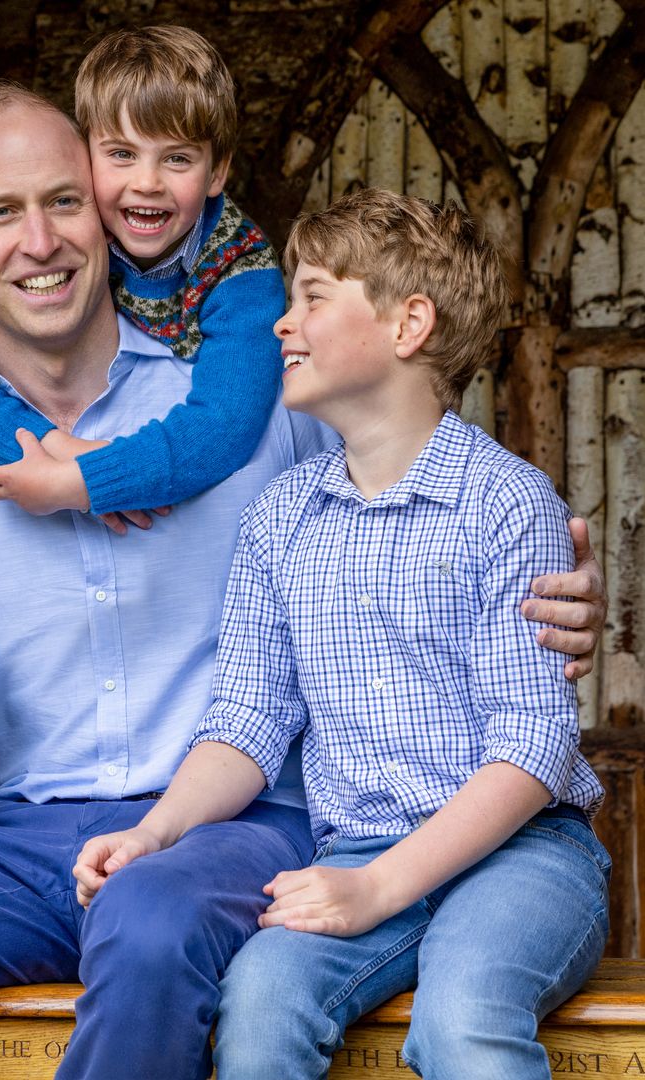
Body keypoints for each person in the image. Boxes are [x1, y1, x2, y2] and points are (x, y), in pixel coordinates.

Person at [0, 90, 605, 1080]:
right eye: (2, 212)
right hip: (27, 844)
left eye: (64, 201)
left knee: (149, 918)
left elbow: (417, 490)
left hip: (240, 829)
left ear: (106, 214)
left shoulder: (255, 411)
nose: (41, 240)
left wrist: (565, 588)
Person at [72, 189, 611, 1080]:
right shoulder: (281, 518)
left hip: (524, 857)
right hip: (357, 849)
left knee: (463, 1016)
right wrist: (154, 832)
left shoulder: (506, 503)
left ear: (409, 324)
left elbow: (534, 743)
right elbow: (247, 721)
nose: (284, 323)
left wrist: (379, 889)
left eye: (314, 297)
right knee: (259, 1008)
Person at [0, 27, 285, 527]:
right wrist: (51, 447)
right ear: (87, 158)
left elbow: (226, 425)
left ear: (216, 174)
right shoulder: (83, 237)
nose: (146, 183)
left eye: (176, 158)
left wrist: (89, 480)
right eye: (122, 154)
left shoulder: (243, 270)